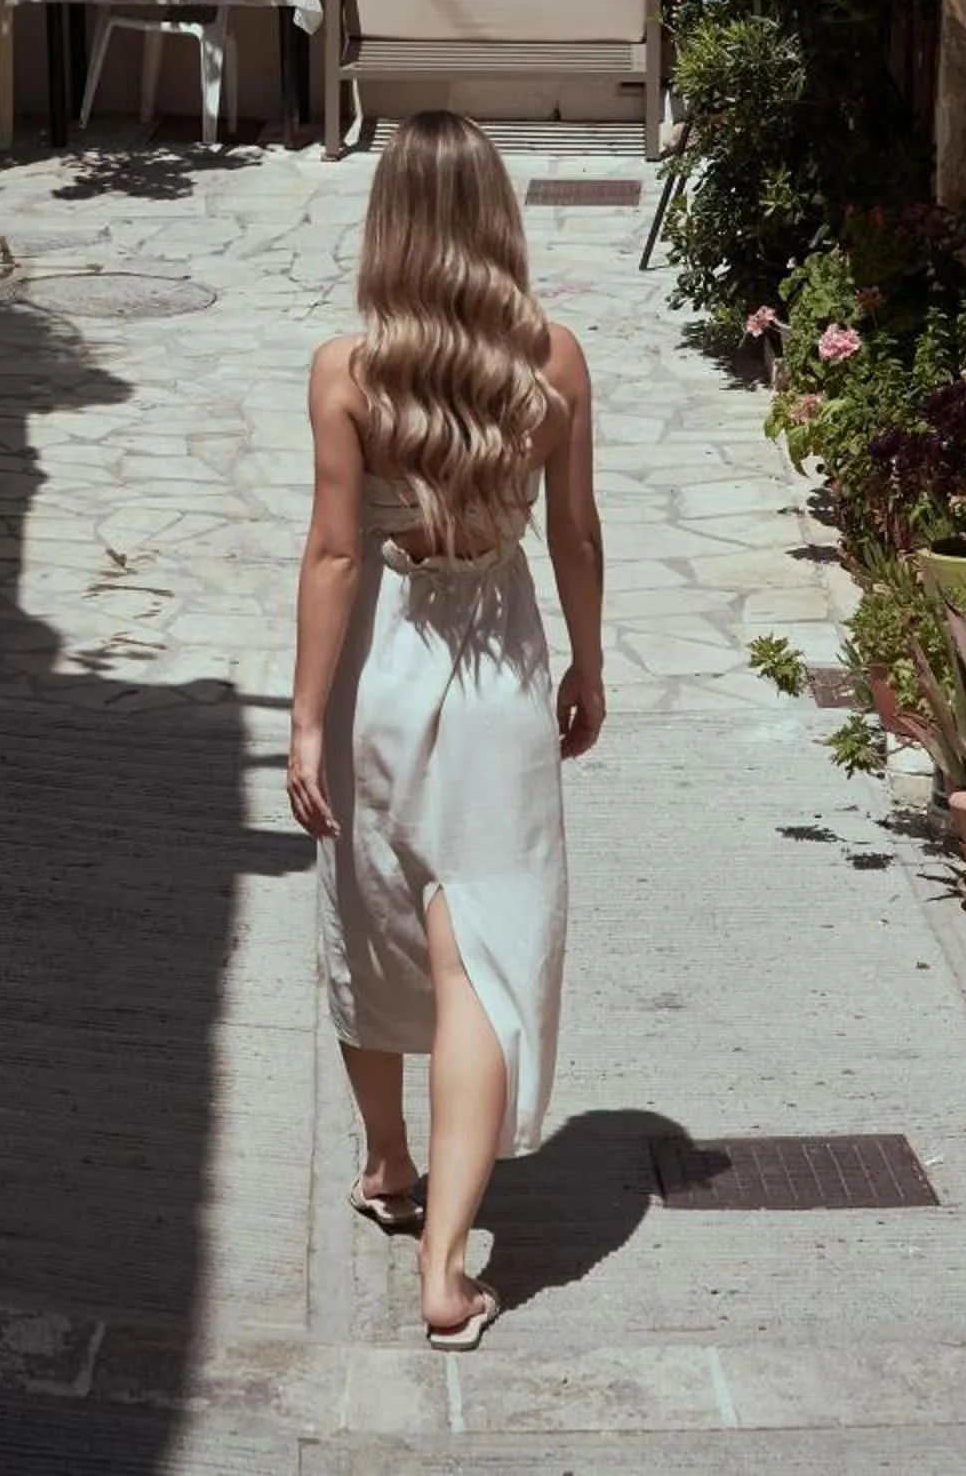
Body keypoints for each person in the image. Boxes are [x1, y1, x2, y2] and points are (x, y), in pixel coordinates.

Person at [287, 111, 604, 1351]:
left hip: (385, 654)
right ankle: (441, 1263)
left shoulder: (346, 371)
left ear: (387, 230)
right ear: (494, 222)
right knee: (476, 950)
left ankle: (385, 1159)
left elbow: (327, 553)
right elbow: (572, 532)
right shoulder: (551, 359)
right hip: (499, 668)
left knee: (372, 910)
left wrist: (306, 720)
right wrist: (583, 658)